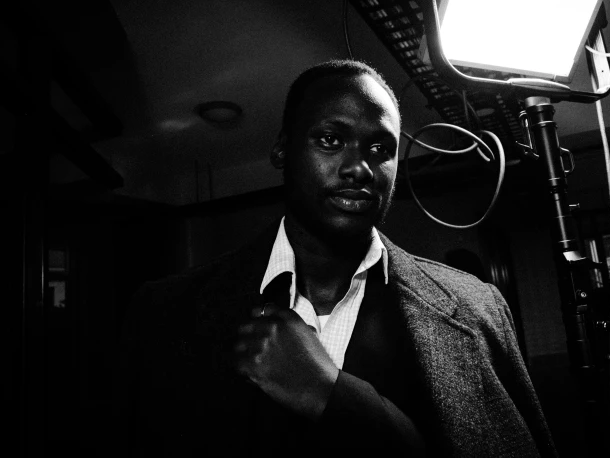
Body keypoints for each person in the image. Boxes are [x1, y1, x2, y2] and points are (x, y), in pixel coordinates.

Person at [118, 59, 557, 457]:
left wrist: (334, 396)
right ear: (282, 151)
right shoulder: (164, 310)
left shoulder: (477, 309)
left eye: (381, 149)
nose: (359, 168)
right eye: (331, 140)